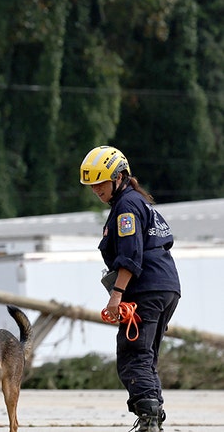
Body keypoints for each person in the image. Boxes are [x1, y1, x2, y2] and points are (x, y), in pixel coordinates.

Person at [79, 146, 181, 432]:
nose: (96, 189)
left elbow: (130, 254)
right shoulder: (139, 202)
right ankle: (153, 417)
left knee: (133, 356)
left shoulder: (126, 207)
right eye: (92, 185)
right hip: (166, 287)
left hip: (146, 289)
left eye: (100, 182)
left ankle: (149, 422)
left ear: (119, 176)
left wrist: (116, 294)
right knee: (145, 356)